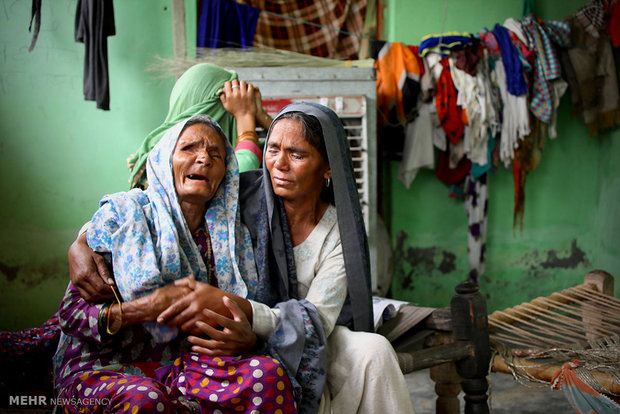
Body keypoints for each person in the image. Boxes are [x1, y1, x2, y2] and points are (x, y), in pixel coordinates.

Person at [71, 103, 415, 413]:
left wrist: (242, 316)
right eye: (273, 149)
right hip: (233, 333)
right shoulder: (240, 195)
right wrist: (82, 241)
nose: (278, 163)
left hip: (292, 335)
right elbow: (159, 202)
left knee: (375, 350)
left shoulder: (339, 234)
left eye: (296, 154)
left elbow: (318, 321)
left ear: (327, 168)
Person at [53, 115, 299, 413]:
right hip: (106, 367)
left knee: (267, 375)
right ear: (164, 160)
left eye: (215, 154)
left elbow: (247, 312)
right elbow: (72, 316)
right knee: (145, 400)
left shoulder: (232, 239)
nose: (203, 159)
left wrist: (246, 338)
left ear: (225, 173)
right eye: (188, 149)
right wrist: (142, 309)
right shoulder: (124, 216)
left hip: (186, 368)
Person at [127, 63, 272, 190]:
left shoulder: (160, 148)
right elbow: (240, 174)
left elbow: (287, 146)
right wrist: (244, 115)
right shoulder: (169, 161)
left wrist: (261, 115)